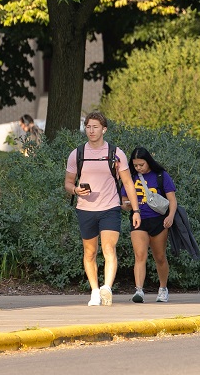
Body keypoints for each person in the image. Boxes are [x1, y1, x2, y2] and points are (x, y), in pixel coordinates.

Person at [64, 111, 139, 306]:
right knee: (89, 252)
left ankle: (107, 287)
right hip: (85, 209)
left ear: (104, 129)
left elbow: (128, 183)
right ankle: (95, 291)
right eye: (88, 127)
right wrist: (75, 190)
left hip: (110, 207)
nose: (91, 130)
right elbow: (68, 183)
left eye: (95, 127)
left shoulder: (115, 153)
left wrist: (136, 210)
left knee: (108, 247)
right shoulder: (77, 154)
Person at [124, 146, 177, 303]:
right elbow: (122, 202)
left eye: (141, 164)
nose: (139, 168)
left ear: (149, 162)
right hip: (138, 219)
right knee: (139, 255)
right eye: (135, 165)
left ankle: (163, 288)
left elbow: (172, 199)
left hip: (158, 221)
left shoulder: (161, 175)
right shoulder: (131, 177)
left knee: (160, 257)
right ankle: (139, 290)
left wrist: (171, 216)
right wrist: (129, 206)